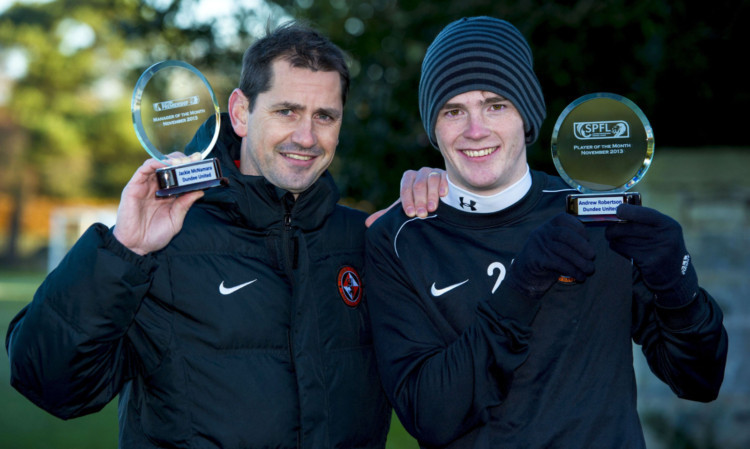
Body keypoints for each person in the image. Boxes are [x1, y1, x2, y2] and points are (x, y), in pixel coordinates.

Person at [5, 21, 442, 448]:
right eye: (286, 110)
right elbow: (51, 385)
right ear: (240, 113)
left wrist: (450, 210)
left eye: (325, 116)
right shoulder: (161, 245)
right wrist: (124, 249)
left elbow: (448, 390)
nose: (306, 136)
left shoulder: (363, 241)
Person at [366, 16, 728, 449]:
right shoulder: (400, 239)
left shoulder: (598, 216)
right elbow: (429, 415)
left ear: (527, 115)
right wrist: (521, 288)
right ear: (434, 127)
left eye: (496, 104)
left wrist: (679, 286)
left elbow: (699, 381)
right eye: (453, 110)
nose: (475, 129)